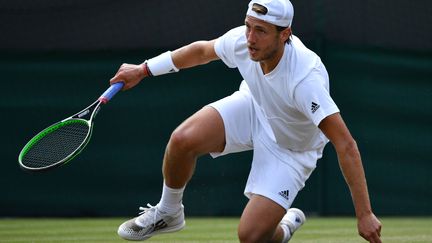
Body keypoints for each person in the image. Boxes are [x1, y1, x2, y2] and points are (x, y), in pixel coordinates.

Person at [110, 0, 382, 242]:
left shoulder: (304, 79)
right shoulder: (244, 40)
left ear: (285, 34)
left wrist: (365, 214)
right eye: (248, 26)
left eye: (261, 31)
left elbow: (346, 144)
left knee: (251, 237)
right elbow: (202, 51)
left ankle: (285, 228)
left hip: (292, 149)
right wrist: (143, 69)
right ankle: (168, 212)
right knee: (182, 140)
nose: (250, 38)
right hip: (254, 106)